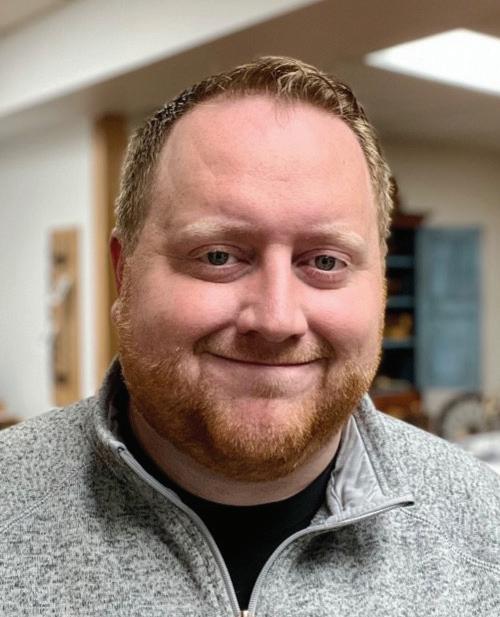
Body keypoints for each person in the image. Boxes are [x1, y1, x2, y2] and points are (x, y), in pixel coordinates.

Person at [1, 56, 499, 617]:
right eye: (218, 256)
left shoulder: (487, 534)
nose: (277, 319)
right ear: (125, 273)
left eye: (326, 261)